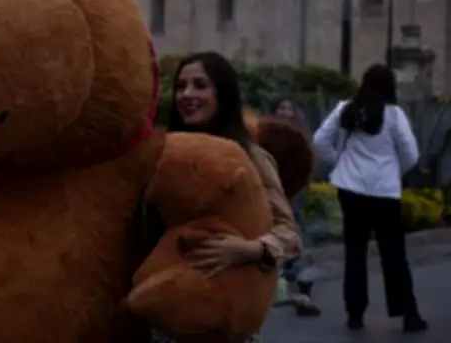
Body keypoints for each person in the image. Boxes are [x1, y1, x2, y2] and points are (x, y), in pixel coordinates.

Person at [145, 52, 302, 343]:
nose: (187, 95)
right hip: (163, 319)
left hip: (223, 319)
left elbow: (289, 234)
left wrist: (250, 249)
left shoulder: (249, 156)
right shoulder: (162, 153)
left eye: (200, 85)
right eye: (181, 86)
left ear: (223, 93)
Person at [312, 64, 427, 333]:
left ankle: (355, 314)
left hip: (350, 190)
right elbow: (411, 154)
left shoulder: (345, 109)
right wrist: (393, 171)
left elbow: (319, 140)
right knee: (394, 255)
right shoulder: (395, 116)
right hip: (384, 193)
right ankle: (408, 314)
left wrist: (337, 162)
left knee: (355, 252)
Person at [269, 96, 321, 317]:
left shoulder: (300, 136)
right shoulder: (268, 134)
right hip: (274, 189)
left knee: (295, 228)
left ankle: (294, 273)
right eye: (281, 107)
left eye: (289, 107)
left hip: (294, 190)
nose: (285, 112)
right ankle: (278, 274)